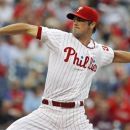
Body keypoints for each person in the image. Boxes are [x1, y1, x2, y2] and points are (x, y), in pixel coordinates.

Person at [0, 5, 130, 130]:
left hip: (75, 116)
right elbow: (26, 28)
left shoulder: (99, 52)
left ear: (92, 24)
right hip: (47, 111)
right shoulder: (59, 38)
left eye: (81, 20)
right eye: (75, 18)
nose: (75, 22)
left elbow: (117, 55)